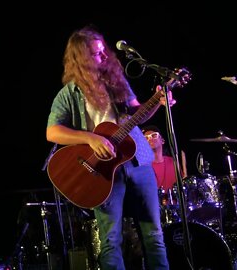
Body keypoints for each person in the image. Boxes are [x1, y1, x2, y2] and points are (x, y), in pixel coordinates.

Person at [46, 25, 176, 269]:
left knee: (155, 236)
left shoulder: (116, 81)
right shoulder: (69, 94)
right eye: (96, 53)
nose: (104, 56)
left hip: (137, 161)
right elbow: (52, 131)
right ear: (81, 58)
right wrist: (90, 138)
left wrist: (158, 101)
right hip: (101, 172)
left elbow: (139, 113)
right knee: (111, 240)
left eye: (103, 51)